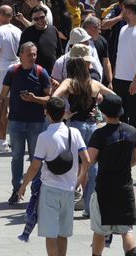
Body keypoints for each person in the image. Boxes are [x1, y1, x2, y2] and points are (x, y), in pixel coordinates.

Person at [17, 96, 89, 256]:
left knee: (50, 233)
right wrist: (80, 178)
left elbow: (35, 166)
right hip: (69, 190)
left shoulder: (44, 137)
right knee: (63, 233)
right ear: (64, 113)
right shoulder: (74, 133)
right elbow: (87, 160)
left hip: (50, 189)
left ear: (47, 114)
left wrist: (23, 185)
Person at [88, 93, 136, 256]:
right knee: (126, 229)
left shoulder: (99, 134)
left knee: (100, 229)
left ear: (105, 112)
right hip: (125, 185)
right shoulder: (132, 131)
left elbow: (90, 159)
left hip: (104, 187)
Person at [1, 41, 52, 204]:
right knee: (16, 157)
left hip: (36, 122)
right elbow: (3, 95)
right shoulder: (12, 72)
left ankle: (36, 191)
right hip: (16, 121)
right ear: (21, 55)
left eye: (35, 54)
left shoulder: (41, 72)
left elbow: (50, 98)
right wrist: (1, 115)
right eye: (29, 54)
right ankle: (16, 190)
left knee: (36, 158)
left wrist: (35, 99)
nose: (33, 57)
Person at [0, 5, 23, 151]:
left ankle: (2, 140)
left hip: (2, 70)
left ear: (0, 15)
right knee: (12, 105)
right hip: (16, 68)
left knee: (1, 105)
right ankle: (12, 138)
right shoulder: (18, 31)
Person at [113, 0, 136, 130]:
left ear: (132, 13)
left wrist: (135, 81)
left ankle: (134, 141)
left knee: (134, 115)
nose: (123, 14)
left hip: (133, 80)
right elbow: (119, 55)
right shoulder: (123, 29)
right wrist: (114, 76)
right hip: (119, 78)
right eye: (124, 11)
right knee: (120, 114)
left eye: (126, 11)